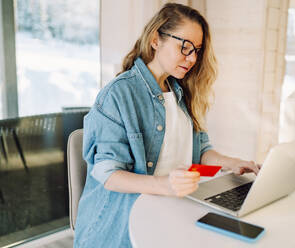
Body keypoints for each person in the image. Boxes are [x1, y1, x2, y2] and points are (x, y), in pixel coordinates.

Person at [73, 3, 260, 248]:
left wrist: (233, 163)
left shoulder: (183, 92)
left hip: (173, 208)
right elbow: (109, 174)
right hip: (123, 225)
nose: (192, 58)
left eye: (197, 50)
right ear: (155, 40)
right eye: (185, 46)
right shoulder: (119, 95)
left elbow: (201, 150)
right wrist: (165, 185)